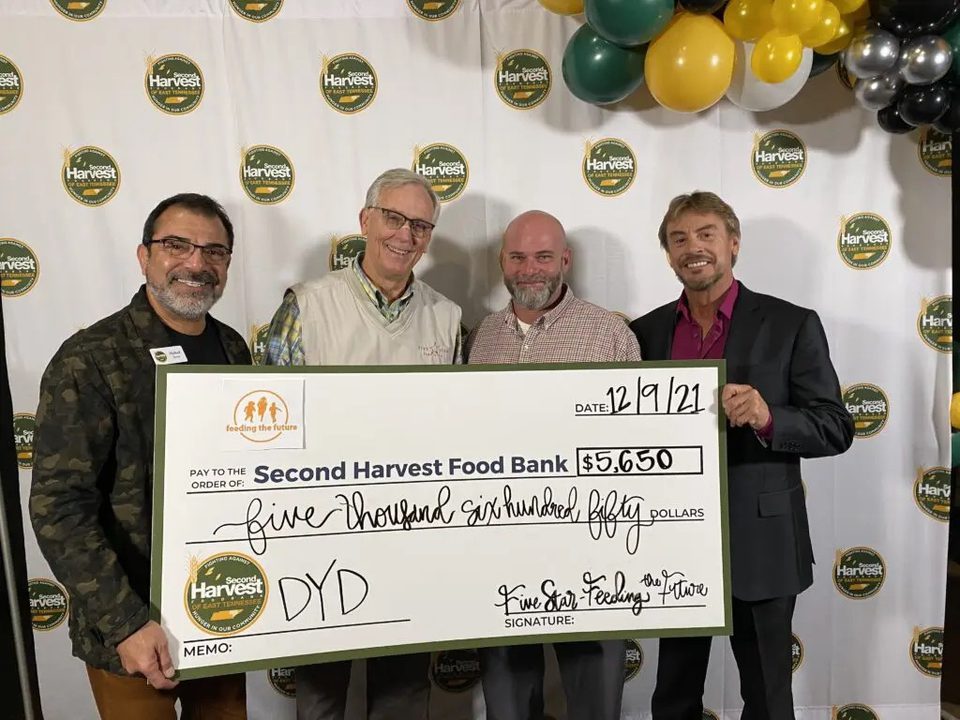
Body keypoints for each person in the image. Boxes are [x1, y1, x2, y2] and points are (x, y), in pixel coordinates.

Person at [629, 191, 854, 720]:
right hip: (673, 540)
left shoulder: (792, 323)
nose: (694, 248)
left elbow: (836, 426)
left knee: (768, 695)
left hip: (764, 539)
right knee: (674, 693)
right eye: (679, 239)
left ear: (733, 244)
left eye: (707, 234)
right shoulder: (643, 332)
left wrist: (769, 416)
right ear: (667, 254)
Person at [30, 193, 251, 720]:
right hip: (130, 628)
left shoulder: (234, 349)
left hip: (224, 608)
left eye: (214, 252)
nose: (197, 263)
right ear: (144, 255)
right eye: (177, 245)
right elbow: (59, 507)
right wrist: (127, 622)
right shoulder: (90, 358)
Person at [264, 167, 462, 719]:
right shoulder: (307, 304)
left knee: (403, 694)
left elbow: (456, 433)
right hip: (320, 538)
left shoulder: (447, 318)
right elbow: (272, 433)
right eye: (394, 218)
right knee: (321, 697)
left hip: (410, 537)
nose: (405, 235)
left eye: (420, 225)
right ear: (365, 220)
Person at [465, 210, 640, 720]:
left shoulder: (608, 334)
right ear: (501, 261)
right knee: (508, 702)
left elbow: (636, 449)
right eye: (517, 257)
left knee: (595, 702)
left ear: (565, 259)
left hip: (590, 548)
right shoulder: (482, 338)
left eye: (543, 256)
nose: (530, 269)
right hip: (500, 546)